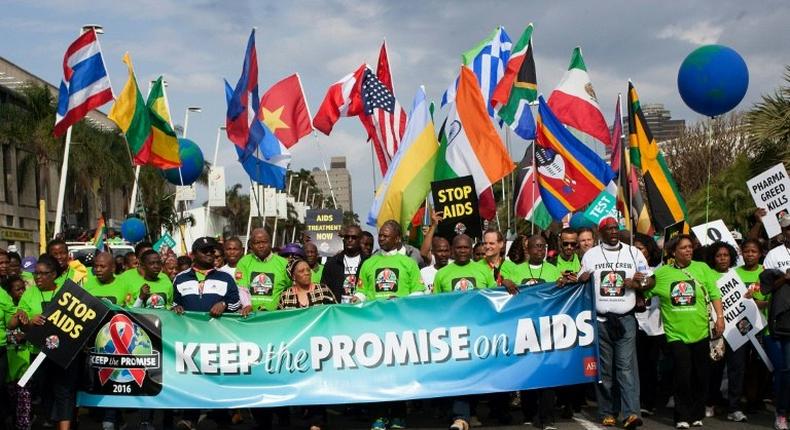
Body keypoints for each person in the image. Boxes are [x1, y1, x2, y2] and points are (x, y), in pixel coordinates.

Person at [575, 217, 652, 429]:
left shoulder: (632, 252)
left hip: (625, 319)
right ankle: (607, 411)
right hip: (600, 320)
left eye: (615, 228)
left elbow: (649, 279)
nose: (613, 232)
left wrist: (638, 282)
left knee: (626, 368)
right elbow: (581, 277)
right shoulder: (591, 254)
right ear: (600, 233)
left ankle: (631, 414)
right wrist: (582, 277)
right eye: (608, 229)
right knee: (605, 370)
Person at [645, 234, 724, 429]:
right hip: (676, 334)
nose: (688, 250)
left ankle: (696, 414)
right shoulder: (662, 273)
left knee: (701, 375)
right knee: (682, 374)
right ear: (673, 252)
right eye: (683, 248)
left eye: (690, 247)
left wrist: (720, 317)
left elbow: (714, 294)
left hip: (701, 332)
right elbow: (645, 291)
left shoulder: (702, 268)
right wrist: (639, 284)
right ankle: (681, 416)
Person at [358, 220, 423, 430]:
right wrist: (356, 299)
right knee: (377, 374)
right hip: (375, 327)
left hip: (400, 327)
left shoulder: (409, 263)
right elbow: (362, 292)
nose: (381, 238)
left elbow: (419, 293)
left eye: (386, 235)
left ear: (397, 238)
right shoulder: (369, 264)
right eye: (380, 235)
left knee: (399, 374)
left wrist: (400, 299)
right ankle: (379, 415)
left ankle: (398, 416)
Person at [171, 237, 241, 430]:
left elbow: (236, 305)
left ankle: (221, 417)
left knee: (217, 378)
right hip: (190, 340)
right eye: (205, 250)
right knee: (191, 377)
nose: (211, 253)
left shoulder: (226, 277)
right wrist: (176, 308)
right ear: (193, 255)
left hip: (217, 340)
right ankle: (190, 418)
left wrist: (224, 304)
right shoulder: (180, 278)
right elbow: (174, 303)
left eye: (212, 250)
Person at [430, 234, 495, 430]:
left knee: (475, 374)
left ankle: (469, 413)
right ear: (452, 250)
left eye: (467, 247)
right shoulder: (442, 274)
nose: (463, 251)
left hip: (478, 331)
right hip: (453, 333)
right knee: (459, 374)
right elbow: (435, 304)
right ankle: (461, 416)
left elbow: (494, 297)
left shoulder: (483, 270)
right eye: (459, 248)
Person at [14, 254, 81, 430]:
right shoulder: (29, 294)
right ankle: (52, 421)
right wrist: (28, 321)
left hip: (64, 354)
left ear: (53, 274)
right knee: (45, 392)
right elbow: (21, 326)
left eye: (43, 274)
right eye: (36, 273)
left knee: (64, 393)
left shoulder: (67, 291)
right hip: (39, 355)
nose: (38, 277)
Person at [704, 241, 749, 422]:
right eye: (718, 255)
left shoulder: (737, 274)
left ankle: (734, 408)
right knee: (714, 369)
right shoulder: (707, 275)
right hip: (716, 330)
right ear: (713, 258)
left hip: (737, 330)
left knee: (737, 369)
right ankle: (710, 402)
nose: (723, 258)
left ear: (731, 257)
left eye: (726, 255)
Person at [632, 233, 666, 417]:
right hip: (636, 323)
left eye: (641, 248)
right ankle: (640, 400)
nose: (638, 251)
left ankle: (652, 400)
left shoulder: (658, 269)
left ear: (649, 250)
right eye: (635, 248)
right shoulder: (630, 268)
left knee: (654, 365)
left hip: (656, 325)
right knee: (640, 364)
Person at [758, 268, 790, 430]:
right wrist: (785, 278)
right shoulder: (777, 265)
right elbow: (767, 287)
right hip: (782, 330)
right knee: (786, 371)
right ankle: (782, 413)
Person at [237, 228, 290, 312]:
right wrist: (247, 305)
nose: (261, 246)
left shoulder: (284, 263)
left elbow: (291, 288)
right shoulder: (243, 262)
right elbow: (241, 288)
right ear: (251, 245)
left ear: (270, 243)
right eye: (257, 243)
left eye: (264, 242)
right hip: (250, 317)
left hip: (275, 317)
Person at [4, 275, 32, 430]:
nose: (22, 292)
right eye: (18, 289)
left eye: (23, 288)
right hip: (9, 361)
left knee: (24, 398)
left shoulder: (26, 306)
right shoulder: (7, 309)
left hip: (24, 361)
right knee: (10, 397)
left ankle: (23, 425)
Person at [320, 225, 369, 304]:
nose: (350, 240)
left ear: (360, 240)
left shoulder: (368, 262)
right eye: (347, 237)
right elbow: (324, 290)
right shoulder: (331, 263)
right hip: (338, 311)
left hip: (362, 311)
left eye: (354, 237)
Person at [219, 237, 252, 316]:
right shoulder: (220, 272)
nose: (232, 252)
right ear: (224, 251)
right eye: (228, 249)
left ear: (242, 251)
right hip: (227, 315)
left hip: (249, 313)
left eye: (235, 249)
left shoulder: (250, 269)